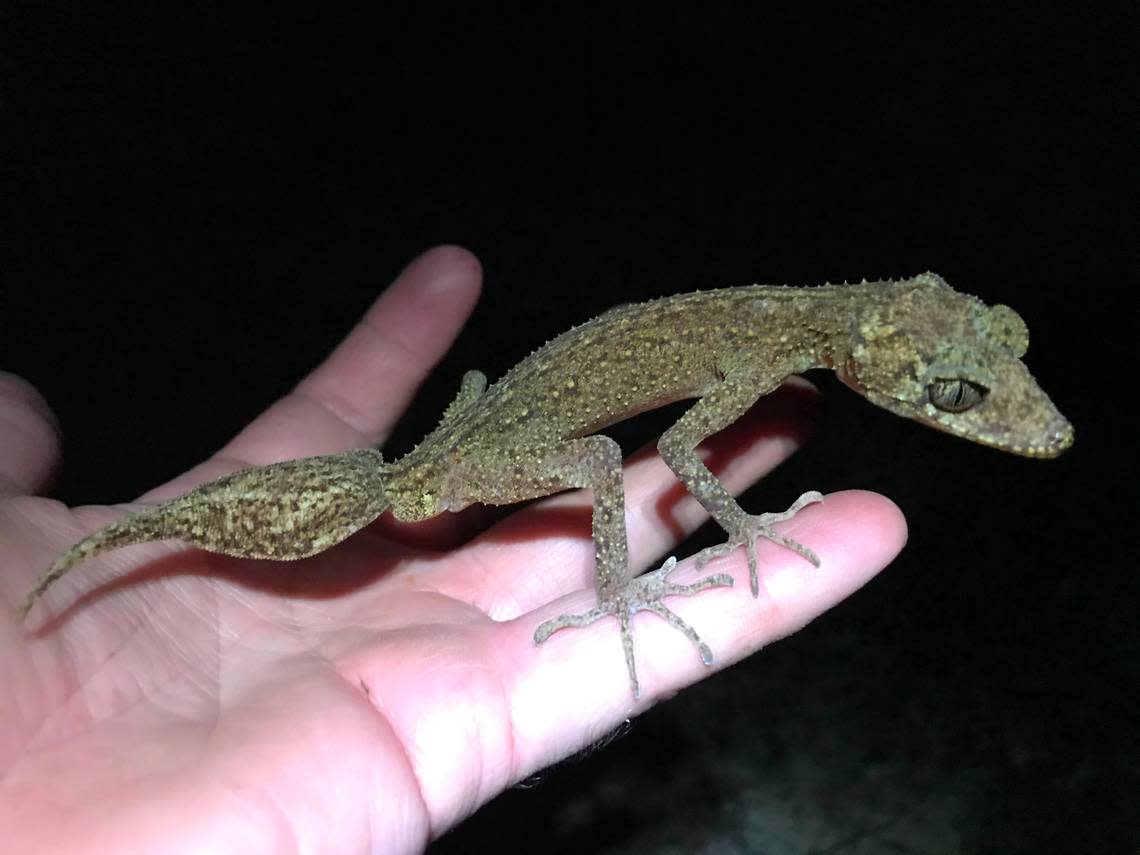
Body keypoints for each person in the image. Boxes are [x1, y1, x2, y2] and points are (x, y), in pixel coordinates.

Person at [0, 246, 904, 852]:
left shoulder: (774, 325)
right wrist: (736, 529)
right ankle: (615, 595)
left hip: (473, 436)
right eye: (946, 391)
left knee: (504, 423)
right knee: (595, 456)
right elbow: (664, 453)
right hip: (467, 457)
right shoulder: (769, 338)